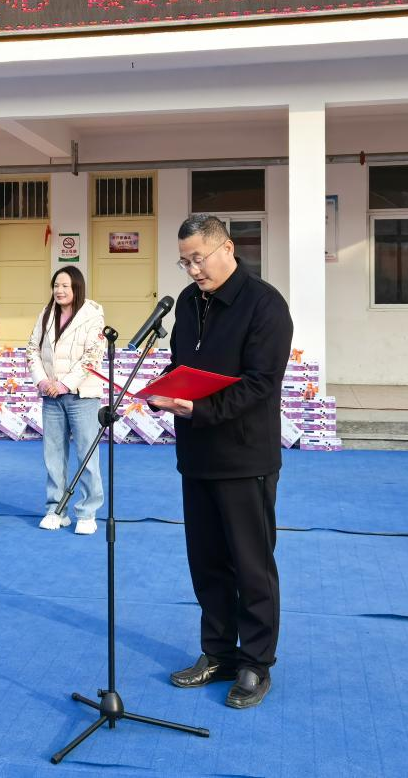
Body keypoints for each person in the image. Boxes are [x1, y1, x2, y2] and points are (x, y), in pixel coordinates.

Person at [147, 214, 293, 711]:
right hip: (197, 455)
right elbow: (182, 365)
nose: (192, 271)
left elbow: (261, 383)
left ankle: (256, 662)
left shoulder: (265, 305)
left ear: (226, 248)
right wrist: (162, 391)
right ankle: (218, 652)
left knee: (252, 565)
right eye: (184, 262)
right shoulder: (189, 304)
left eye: (198, 259)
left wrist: (201, 410)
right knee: (207, 563)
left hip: (245, 456)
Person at [25, 266, 106, 535]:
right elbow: (32, 349)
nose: (59, 291)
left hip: (82, 396)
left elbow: (92, 356)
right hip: (51, 396)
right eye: (56, 285)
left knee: (86, 455)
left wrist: (64, 384)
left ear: (77, 288)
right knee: (53, 456)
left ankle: (87, 512)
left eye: (65, 286)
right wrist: (42, 381)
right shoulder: (46, 314)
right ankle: (56, 510)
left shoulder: (93, 315)